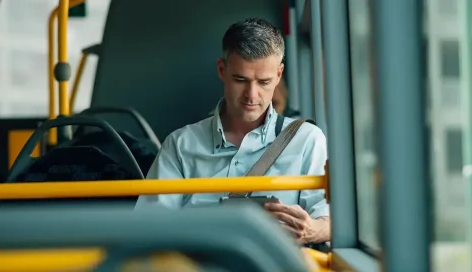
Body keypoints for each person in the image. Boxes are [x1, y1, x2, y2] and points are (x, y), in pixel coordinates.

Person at [135, 18, 330, 244]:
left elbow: (329, 218)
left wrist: (312, 229)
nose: (252, 95)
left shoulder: (307, 140)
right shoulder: (180, 145)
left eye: (264, 82)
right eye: (241, 80)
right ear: (221, 70)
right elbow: (148, 227)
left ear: (278, 75)